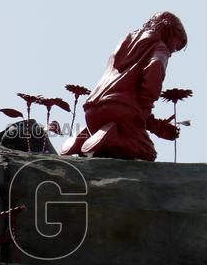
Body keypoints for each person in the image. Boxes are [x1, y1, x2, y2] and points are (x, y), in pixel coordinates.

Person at [72, 11, 187, 160]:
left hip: (92, 109)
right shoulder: (160, 47)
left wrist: (154, 125)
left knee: (104, 151)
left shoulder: (126, 41)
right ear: (169, 33)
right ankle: (110, 140)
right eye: (175, 46)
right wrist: (148, 102)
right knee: (147, 152)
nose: (172, 51)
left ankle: (84, 138)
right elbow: (155, 66)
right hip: (120, 110)